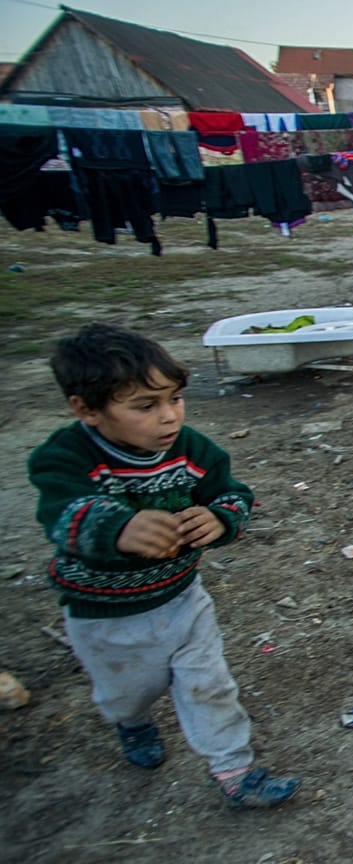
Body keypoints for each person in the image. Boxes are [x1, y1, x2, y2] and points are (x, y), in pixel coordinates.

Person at [26, 324, 300, 809]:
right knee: (126, 694)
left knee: (209, 685)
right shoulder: (67, 457)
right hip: (104, 614)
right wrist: (116, 529)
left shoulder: (190, 450)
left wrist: (220, 518)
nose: (169, 417)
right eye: (145, 406)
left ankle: (235, 771)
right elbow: (62, 511)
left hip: (182, 600)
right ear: (86, 409)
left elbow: (232, 493)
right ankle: (132, 723)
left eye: (174, 399)